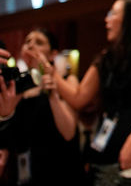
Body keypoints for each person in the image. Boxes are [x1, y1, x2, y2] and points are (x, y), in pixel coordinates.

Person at [55, 0, 131, 183]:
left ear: (130, 19)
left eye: (113, 14)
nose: (107, 20)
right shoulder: (107, 57)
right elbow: (79, 98)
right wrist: (52, 74)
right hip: (104, 157)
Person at [0, 28, 84, 185]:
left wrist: (52, 93)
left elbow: (68, 133)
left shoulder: (67, 81)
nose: (31, 45)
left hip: (62, 171)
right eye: (27, 41)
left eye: (39, 42)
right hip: (28, 174)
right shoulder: (17, 86)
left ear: (53, 54)